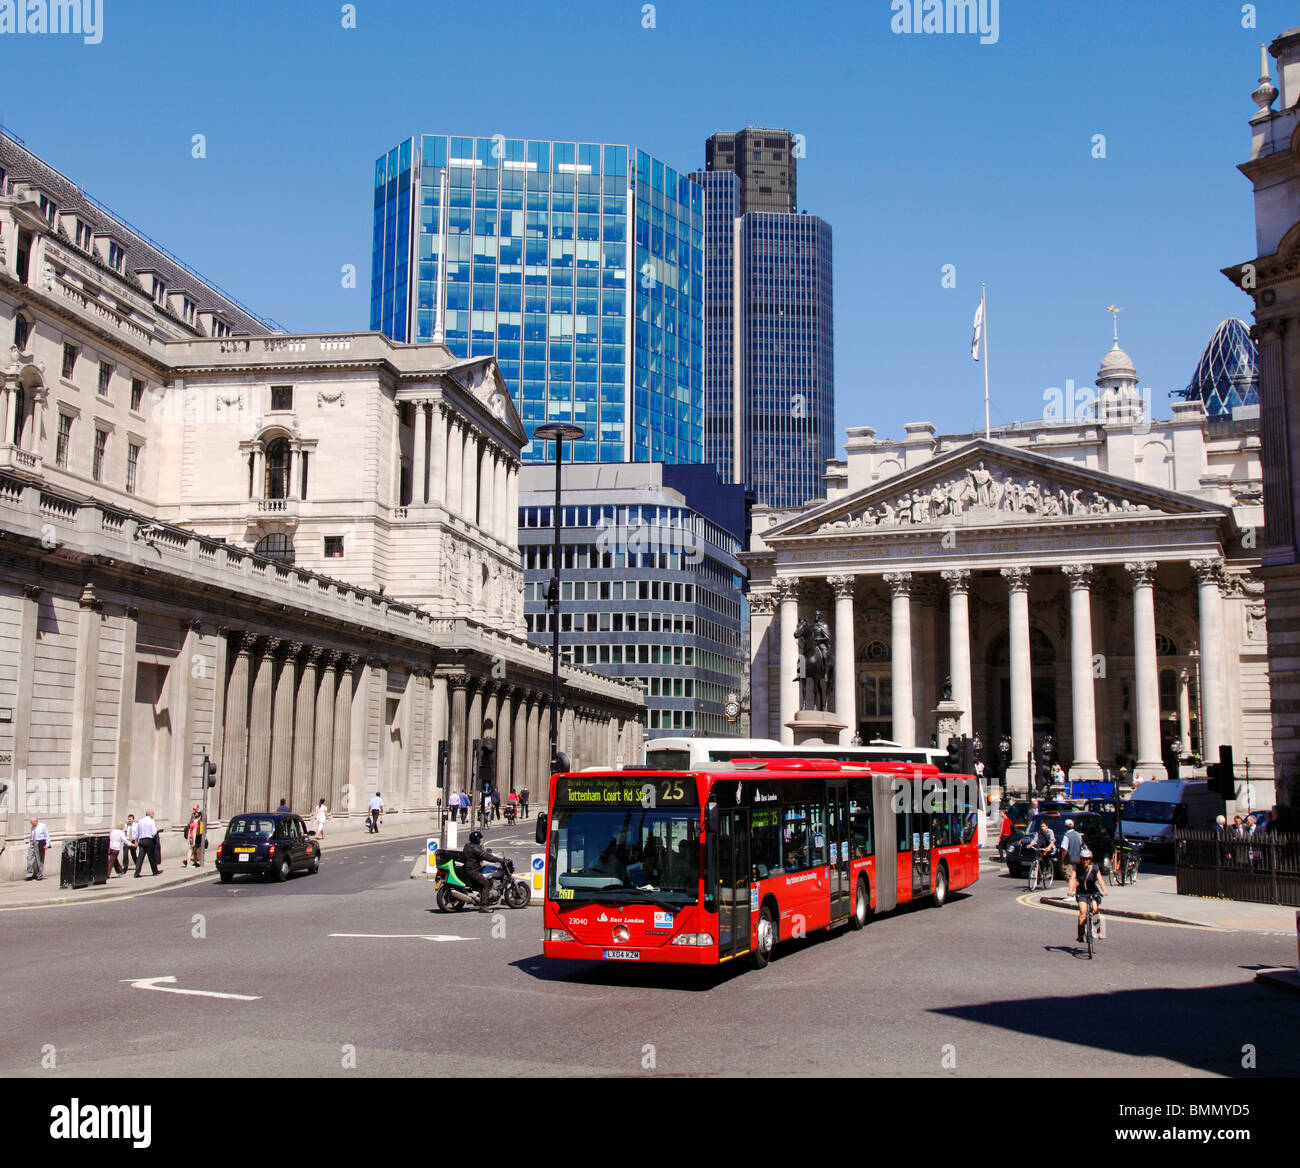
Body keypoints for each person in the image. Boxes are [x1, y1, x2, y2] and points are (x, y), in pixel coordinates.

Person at [462, 829, 504, 912]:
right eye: (480, 839)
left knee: (485, 879)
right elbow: (485, 855)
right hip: (473, 871)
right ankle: (483, 906)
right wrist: (499, 860)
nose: (480, 841)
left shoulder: (468, 846)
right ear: (477, 839)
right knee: (486, 884)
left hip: (471, 869)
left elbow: (482, 855)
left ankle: (481, 898)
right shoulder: (474, 848)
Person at [1075, 848, 1106, 943]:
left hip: (1093, 892)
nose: (1085, 861)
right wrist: (1071, 890)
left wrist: (1104, 890)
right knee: (1083, 912)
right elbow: (1072, 879)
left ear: (1090, 859)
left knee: (1095, 909)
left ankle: (1099, 930)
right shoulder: (1077, 867)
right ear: (1080, 859)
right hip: (1081, 893)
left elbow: (1100, 879)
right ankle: (1080, 934)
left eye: (1087, 859)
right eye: (1083, 859)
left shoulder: (1095, 868)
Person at [1059, 819, 1084, 894]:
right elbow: (1081, 845)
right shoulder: (1078, 834)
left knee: (1070, 877)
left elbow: (1064, 849)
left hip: (1069, 860)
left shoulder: (1066, 836)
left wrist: (1062, 860)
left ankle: (1072, 893)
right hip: (1078, 859)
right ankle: (1077, 892)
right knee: (1076, 877)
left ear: (1065, 827)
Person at [134, 810, 160, 877]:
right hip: (149, 840)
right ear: (150, 814)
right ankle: (155, 871)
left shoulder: (140, 821)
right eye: (153, 814)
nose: (153, 816)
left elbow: (137, 833)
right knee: (151, 856)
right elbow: (154, 832)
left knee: (140, 857)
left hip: (141, 840)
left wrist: (136, 842)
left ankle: (137, 872)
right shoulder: (151, 821)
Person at [26, 816, 50, 881]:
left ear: (36, 821)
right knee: (29, 858)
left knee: (40, 860)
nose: (31, 823)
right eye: (30, 822)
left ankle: (39, 875)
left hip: (40, 842)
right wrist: (29, 843)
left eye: (32, 822)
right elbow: (31, 836)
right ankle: (29, 874)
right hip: (32, 843)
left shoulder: (43, 826)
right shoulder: (32, 827)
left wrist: (47, 844)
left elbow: (47, 835)